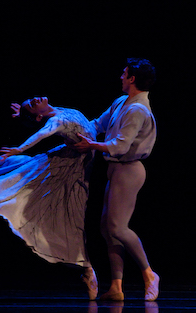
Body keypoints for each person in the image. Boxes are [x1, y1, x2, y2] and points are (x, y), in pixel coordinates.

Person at [0, 96, 98, 300]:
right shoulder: (55, 121)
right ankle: (87, 268)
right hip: (69, 168)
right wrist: (20, 146)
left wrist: (26, 115)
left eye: (32, 100)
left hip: (69, 157)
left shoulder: (55, 110)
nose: (35, 99)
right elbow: (42, 134)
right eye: (32, 104)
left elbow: (42, 123)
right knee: (67, 214)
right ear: (39, 115)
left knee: (30, 166)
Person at [73, 58, 159, 301]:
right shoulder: (122, 102)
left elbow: (120, 146)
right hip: (116, 169)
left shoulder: (137, 110)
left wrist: (92, 145)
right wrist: (65, 125)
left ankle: (150, 274)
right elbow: (96, 125)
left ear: (132, 78)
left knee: (117, 227)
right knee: (107, 228)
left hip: (129, 169)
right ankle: (116, 287)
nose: (121, 77)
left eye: (124, 73)